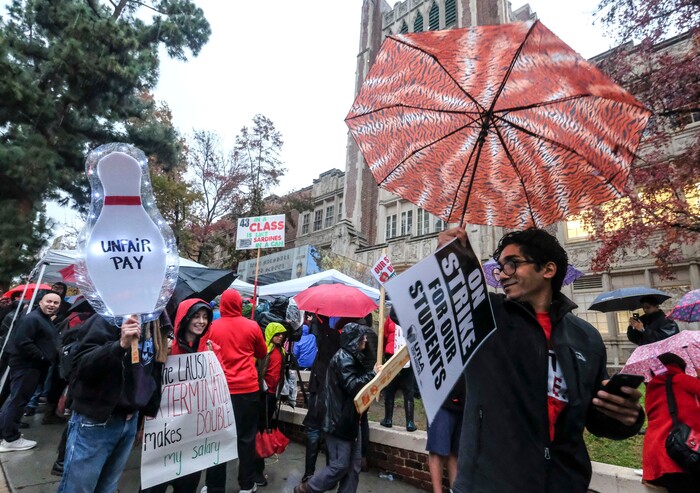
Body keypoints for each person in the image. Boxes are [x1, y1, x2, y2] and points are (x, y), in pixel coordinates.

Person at [439, 227, 644, 493]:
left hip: (563, 483)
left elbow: (592, 418)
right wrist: (446, 262)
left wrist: (626, 417)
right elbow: (412, 314)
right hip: (488, 482)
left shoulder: (587, 338)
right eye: (500, 266)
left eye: (512, 264)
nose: (502, 274)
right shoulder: (484, 316)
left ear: (548, 270)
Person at [56, 312, 170, 493]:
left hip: (130, 421)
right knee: (78, 489)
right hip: (96, 420)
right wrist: (120, 345)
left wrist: (145, 416)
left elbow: (150, 373)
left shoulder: (156, 327)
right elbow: (81, 367)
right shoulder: (106, 319)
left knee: (107, 488)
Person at [294, 323, 380, 493]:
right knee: (340, 465)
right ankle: (307, 489)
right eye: (362, 336)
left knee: (353, 466)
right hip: (338, 421)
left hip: (351, 419)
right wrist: (373, 374)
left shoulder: (353, 357)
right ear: (354, 339)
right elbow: (353, 385)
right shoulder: (343, 358)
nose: (364, 339)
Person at [142, 298, 214, 493]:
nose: (201, 321)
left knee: (187, 486)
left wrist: (214, 359)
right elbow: (152, 384)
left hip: (192, 435)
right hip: (165, 432)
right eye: (196, 316)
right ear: (185, 318)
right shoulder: (167, 347)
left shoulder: (209, 350)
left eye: (205, 317)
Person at [205, 289, 267, 493]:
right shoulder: (252, 326)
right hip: (248, 390)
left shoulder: (212, 326)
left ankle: (214, 486)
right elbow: (261, 352)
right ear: (240, 305)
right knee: (246, 438)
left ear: (221, 305)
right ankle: (247, 485)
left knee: (217, 437)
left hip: (220, 390)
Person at [0, 291, 60, 452]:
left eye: (55, 303)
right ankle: (10, 438)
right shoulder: (32, 318)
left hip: (31, 366)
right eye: (49, 301)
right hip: (27, 366)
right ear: (40, 302)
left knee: (17, 399)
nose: (52, 305)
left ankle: (6, 433)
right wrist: (42, 357)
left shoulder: (42, 318)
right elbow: (23, 341)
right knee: (18, 400)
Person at [641, 352, 700, 492]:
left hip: (655, 460)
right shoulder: (682, 379)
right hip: (681, 456)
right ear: (680, 367)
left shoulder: (651, 388)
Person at [254, 322, 288, 487]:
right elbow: (257, 370)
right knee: (259, 431)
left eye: (282, 334)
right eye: (277, 334)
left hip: (272, 396)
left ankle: (257, 466)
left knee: (265, 428)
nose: (280, 336)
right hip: (262, 396)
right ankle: (256, 470)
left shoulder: (282, 351)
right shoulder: (264, 351)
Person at [380, 307, 417, 432]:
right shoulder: (412, 318)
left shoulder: (390, 318)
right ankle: (410, 422)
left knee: (390, 388)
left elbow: (384, 335)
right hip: (408, 356)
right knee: (408, 390)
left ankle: (388, 419)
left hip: (392, 355)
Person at [427, 374, 465, 493]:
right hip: (439, 398)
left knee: (455, 453)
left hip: (464, 400)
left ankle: (455, 490)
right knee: (437, 451)